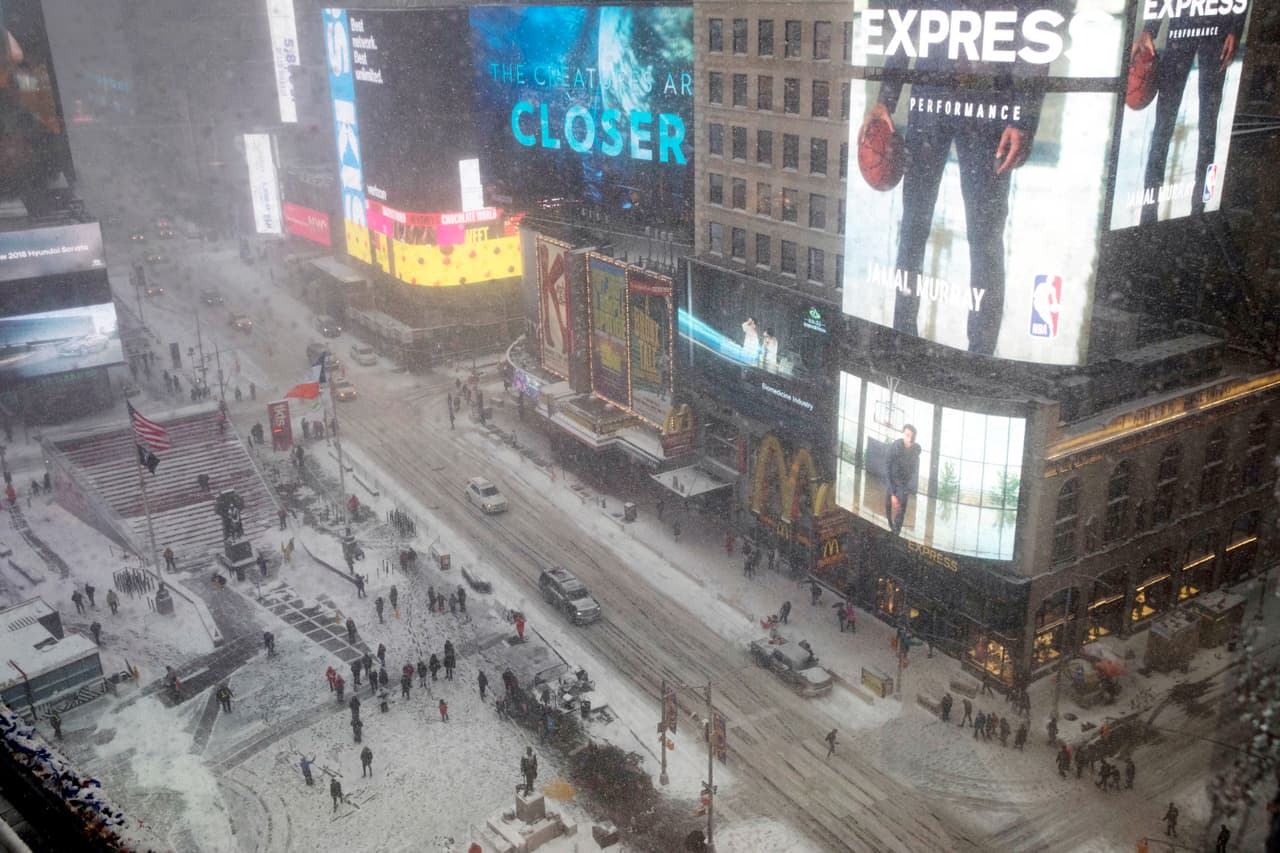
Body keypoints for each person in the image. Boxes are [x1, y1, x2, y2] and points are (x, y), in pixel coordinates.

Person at [861, 26, 1043, 356]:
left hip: (989, 102)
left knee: (985, 234)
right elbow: (909, 18)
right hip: (934, 96)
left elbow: (1035, 24)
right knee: (915, 226)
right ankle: (904, 339)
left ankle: (980, 354)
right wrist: (885, 99)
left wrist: (1024, 117)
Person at [1134, 8, 1247, 226]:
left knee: (1208, 124)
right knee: (1163, 124)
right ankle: (1148, 210)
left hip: (1219, 26)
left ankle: (1202, 204)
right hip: (1183, 22)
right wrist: (1149, 28)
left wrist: (1235, 29)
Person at [884, 424, 922, 536]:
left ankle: (896, 533)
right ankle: (892, 527)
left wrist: (903, 488)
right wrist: (892, 493)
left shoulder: (915, 454)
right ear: (903, 434)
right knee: (888, 506)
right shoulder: (894, 447)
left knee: (902, 508)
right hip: (891, 480)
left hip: (902, 484)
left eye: (912, 437)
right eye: (907, 435)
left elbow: (912, 472)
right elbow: (887, 468)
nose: (910, 439)